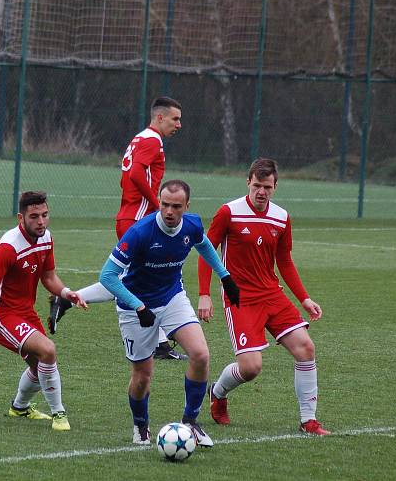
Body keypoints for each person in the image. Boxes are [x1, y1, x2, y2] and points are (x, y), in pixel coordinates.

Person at [97, 180, 240, 446]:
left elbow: (205, 245)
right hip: (134, 306)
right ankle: (141, 426)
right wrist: (138, 306)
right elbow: (107, 276)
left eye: (176, 206)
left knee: (200, 354)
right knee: (142, 375)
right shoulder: (140, 232)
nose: (169, 211)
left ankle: (191, 422)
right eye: (164, 205)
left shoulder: (192, 225)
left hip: (173, 296)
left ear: (187, 206)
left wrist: (225, 276)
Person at [197, 158, 330, 435]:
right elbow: (206, 251)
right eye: (257, 185)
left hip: (271, 293)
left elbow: (285, 261)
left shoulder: (281, 217)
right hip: (240, 297)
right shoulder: (229, 212)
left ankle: (309, 421)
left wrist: (304, 298)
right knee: (251, 367)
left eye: (267, 187)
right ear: (248, 182)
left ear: (275, 186)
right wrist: (204, 294)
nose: (261, 192)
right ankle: (218, 392)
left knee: (306, 348)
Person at [49, 96, 187, 360]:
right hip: (137, 219)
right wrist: (157, 203)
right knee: (136, 279)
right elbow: (135, 173)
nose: (178, 124)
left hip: (130, 215)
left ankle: (66, 299)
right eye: (175, 119)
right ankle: (158, 343)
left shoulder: (140, 138)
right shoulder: (152, 140)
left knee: (135, 279)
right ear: (159, 118)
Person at [0, 191, 86, 432]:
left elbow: (48, 277)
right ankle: (59, 413)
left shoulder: (46, 237)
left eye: (45, 215)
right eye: (34, 216)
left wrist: (66, 293)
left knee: (40, 366)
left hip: (25, 312)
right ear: (21, 217)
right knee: (48, 350)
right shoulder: (8, 246)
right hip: (2, 315)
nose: (41, 222)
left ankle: (19, 407)